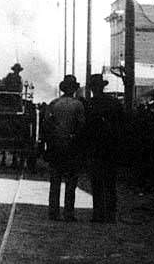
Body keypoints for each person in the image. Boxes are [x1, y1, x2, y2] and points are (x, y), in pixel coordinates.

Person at [43, 74, 85, 221]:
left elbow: (46, 127)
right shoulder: (78, 105)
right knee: (71, 182)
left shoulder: (54, 104)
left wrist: (48, 144)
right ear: (74, 89)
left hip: (55, 147)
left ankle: (53, 212)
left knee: (55, 181)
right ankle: (68, 213)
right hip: (71, 147)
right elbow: (81, 127)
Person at [85, 74, 123, 223]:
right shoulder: (114, 103)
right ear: (103, 87)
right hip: (111, 148)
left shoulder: (89, 105)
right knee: (110, 183)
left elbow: (85, 129)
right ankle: (111, 214)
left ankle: (98, 214)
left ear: (93, 89)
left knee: (96, 183)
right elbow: (122, 125)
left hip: (95, 148)